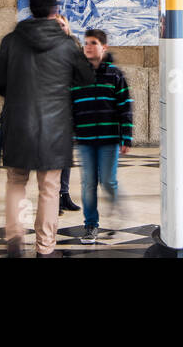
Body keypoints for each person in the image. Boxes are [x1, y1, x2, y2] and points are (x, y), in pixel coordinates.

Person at [0, 0, 94, 258]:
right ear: (55, 12)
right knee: (49, 188)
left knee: (16, 182)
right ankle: (45, 248)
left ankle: (15, 239)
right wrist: (70, 37)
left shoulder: (11, 40)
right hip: (54, 127)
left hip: (18, 123)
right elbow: (86, 79)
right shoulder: (66, 44)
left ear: (30, 10)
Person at [71, 28, 133, 244]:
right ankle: (90, 225)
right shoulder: (77, 74)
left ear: (104, 47)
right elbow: (70, 106)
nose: (88, 46)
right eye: (86, 42)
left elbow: (125, 106)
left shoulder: (114, 74)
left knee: (107, 181)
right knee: (88, 183)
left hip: (109, 139)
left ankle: (116, 209)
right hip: (85, 139)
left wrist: (126, 136)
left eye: (93, 42)